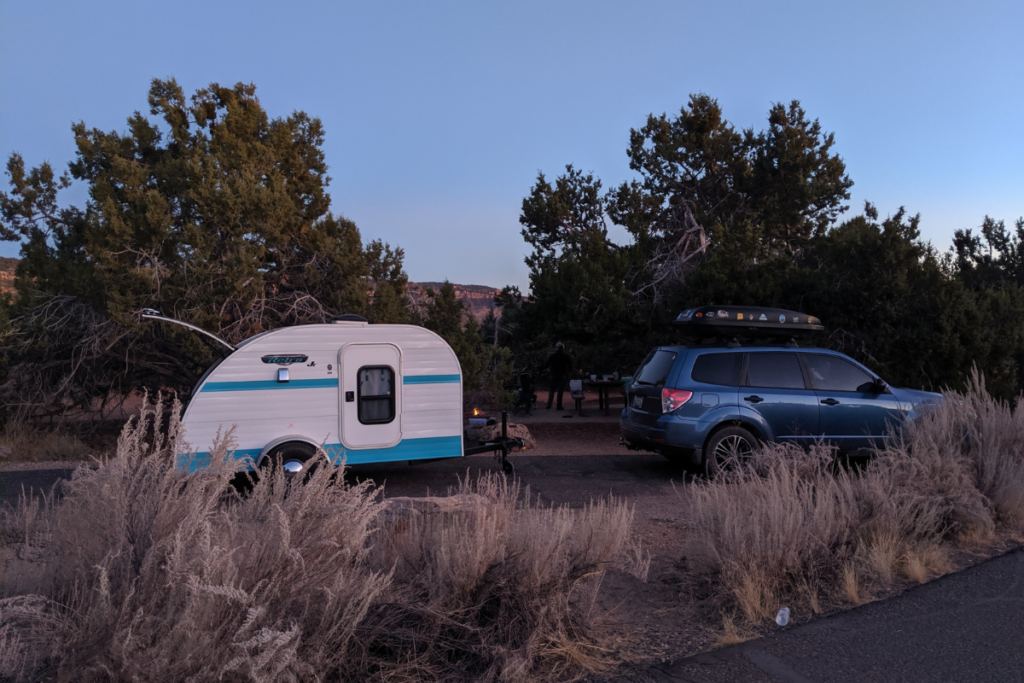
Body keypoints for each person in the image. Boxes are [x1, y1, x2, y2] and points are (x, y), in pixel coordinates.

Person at [543, 342, 573, 410]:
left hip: (554, 375)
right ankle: (559, 406)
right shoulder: (565, 356)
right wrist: (568, 372)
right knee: (560, 391)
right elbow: (570, 365)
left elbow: (546, 364)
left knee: (551, 390)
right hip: (562, 375)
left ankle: (549, 404)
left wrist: (549, 369)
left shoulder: (553, 355)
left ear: (556, 348)